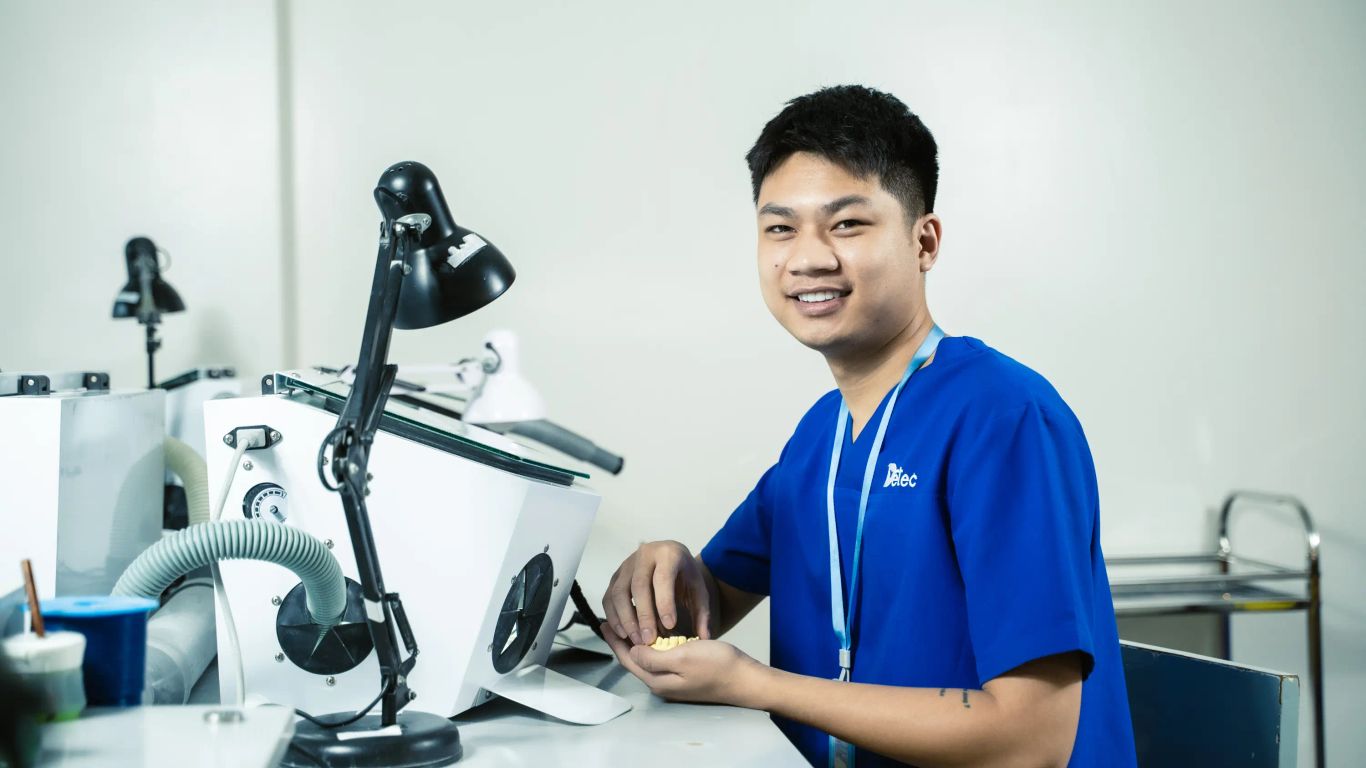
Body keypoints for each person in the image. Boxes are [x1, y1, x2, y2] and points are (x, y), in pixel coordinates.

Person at [600, 85, 1136, 767]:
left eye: (847, 224)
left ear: (925, 241)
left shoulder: (1003, 418)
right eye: (780, 228)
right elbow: (705, 605)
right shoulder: (820, 437)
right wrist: (665, 571)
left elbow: (1031, 739)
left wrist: (755, 684)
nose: (808, 257)